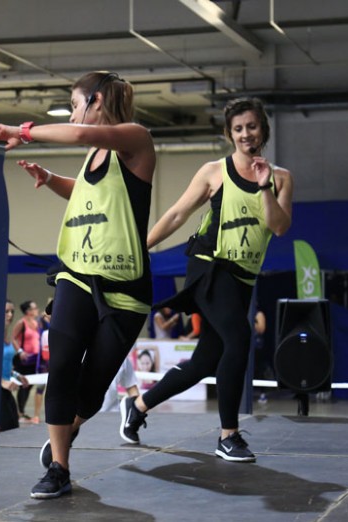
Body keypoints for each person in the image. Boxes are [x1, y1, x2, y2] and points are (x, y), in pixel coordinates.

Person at [0, 71, 155, 499]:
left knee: (92, 389)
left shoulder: (135, 139)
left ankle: (69, 426)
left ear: (97, 101)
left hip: (125, 288)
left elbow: (78, 133)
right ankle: (60, 468)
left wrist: (23, 131)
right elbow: (88, 192)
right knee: (61, 366)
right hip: (76, 274)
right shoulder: (94, 153)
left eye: (75, 103)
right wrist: (50, 179)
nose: (73, 112)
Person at [119, 97, 293, 463]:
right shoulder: (214, 172)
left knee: (204, 362)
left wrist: (264, 186)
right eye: (238, 129)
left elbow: (278, 227)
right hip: (209, 266)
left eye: (252, 126)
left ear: (263, 129)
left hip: (243, 277)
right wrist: (139, 248)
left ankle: (138, 405)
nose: (246, 134)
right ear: (230, 134)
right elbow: (177, 214)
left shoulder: (281, 179)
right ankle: (228, 435)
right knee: (240, 337)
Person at [11, 300, 44, 423]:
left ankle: (22, 412)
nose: (37, 310)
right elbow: (13, 338)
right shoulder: (22, 323)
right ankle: (20, 413)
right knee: (23, 385)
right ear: (28, 311)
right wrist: (20, 351)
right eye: (34, 308)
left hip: (34, 359)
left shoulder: (37, 323)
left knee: (29, 385)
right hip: (23, 359)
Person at [0, 300, 24, 432]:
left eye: (12, 312)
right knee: (6, 428)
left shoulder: (7, 336)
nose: (10, 315)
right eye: (6, 311)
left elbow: (6, 364)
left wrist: (17, 375)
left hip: (6, 389)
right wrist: (1, 381)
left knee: (13, 426)